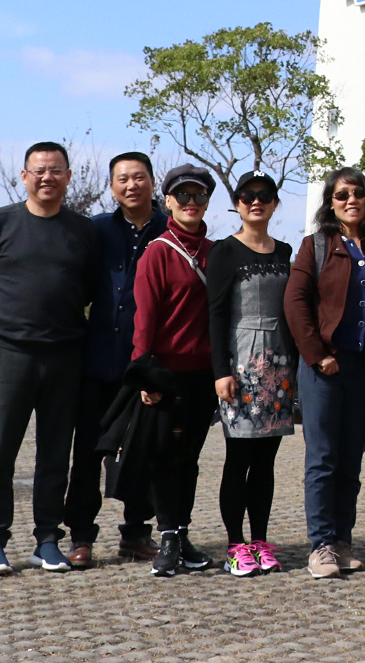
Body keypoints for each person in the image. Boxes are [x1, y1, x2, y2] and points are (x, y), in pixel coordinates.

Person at [0, 142, 103, 577]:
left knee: (55, 457)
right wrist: (5, 319)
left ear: (68, 177)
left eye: (55, 170)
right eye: (39, 170)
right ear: (24, 176)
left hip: (66, 357)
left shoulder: (83, 231)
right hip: (11, 355)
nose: (47, 177)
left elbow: (91, 287)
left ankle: (47, 540)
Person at [65, 150, 167, 568]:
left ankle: (136, 534)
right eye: (122, 179)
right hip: (98, 360)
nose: (131, 185)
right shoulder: (96, 229)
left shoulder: (169, 229)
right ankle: (81, 537)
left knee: (144, 452)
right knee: (88, 453)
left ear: (152, 182)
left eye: (139, 177)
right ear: (111, 187)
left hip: (147, 364)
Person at [285, 167, 365, 580]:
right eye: (342, 195)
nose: (351, 200)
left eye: (358, 193)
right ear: (330, 203)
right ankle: (320, 544)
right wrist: (317, 354)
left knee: (351, 459)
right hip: (323, 367)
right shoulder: (316, 245)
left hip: (363, 369)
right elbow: (295, 302)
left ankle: (342, 539)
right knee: (322, 458)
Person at [131, 164, 221, 578]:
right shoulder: (158, 251)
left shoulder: (216, 252)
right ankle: (166, 537)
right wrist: (144, 374)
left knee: (190, 459)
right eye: (182, 195)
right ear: (167, 201)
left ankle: (182, 535)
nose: (191, 203)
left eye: (199, 196)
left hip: (205, 373)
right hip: (167, 374)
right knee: (165, 458)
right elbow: (145, 319)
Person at [207, 170, 297, 578]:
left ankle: (260, 540)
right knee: (238, 457)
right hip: (241, 365)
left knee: (266, 461)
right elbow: (215, 313)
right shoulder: (224, 251)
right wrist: (220, 371)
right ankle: (235, 544)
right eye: (247, 196)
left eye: (264, 195)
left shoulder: (285, 250)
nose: (256, 201)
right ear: (237, 203)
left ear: (275, 203)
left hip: (279, 365)